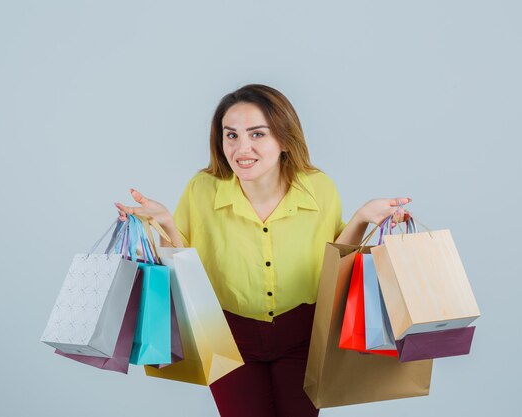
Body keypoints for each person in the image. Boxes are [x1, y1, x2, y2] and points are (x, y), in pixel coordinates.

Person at [115, 84, 410, 417]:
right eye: (231, 135)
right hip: (228, 336)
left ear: (283, 139)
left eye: (257, 134)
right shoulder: (202, 189)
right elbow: (182, 267)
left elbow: (336, 259)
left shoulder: (318, 187)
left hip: (303, 336)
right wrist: (167, 224)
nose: (242, 149)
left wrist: (362, 218)